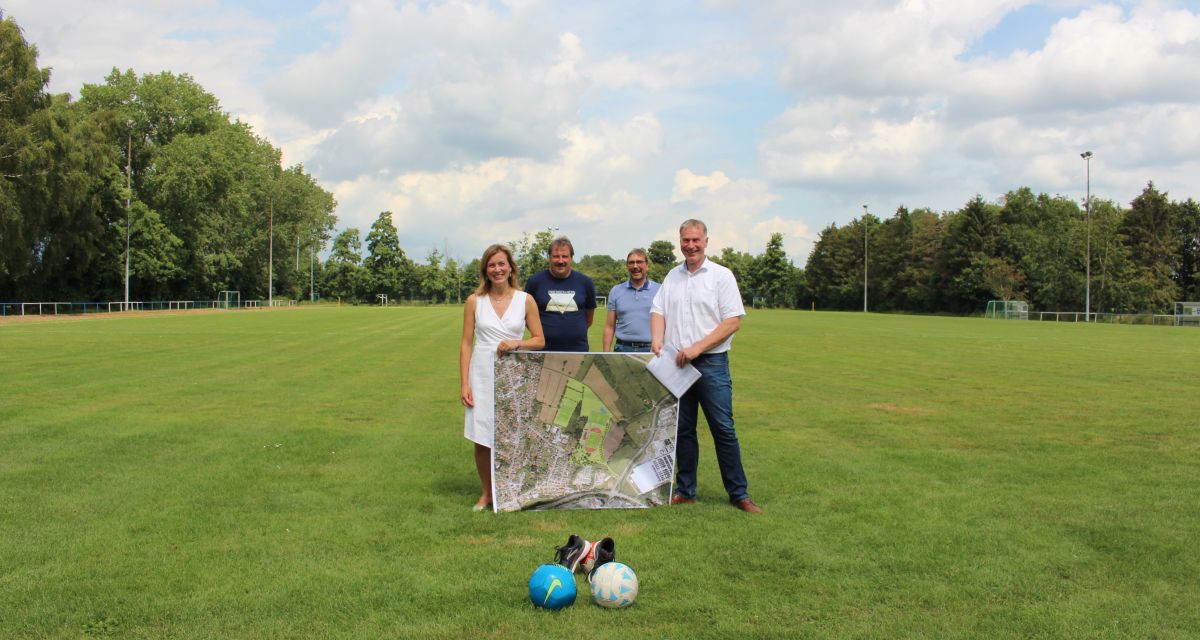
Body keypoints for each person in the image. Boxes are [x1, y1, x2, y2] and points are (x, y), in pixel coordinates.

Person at [650, 219, 761, 514]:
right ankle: (686, 491)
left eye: (695, 240)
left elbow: (732, 321)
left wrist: (697, 348)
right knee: (684, 431)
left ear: (706, 241)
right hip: (677, 365)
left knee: (723, 429)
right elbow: (658, 311)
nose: (691, 246)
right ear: (680, 242)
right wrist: (657, 339)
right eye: (685, 240)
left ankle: (739, 494)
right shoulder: (672, 276)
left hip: (711, 363)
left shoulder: (721, 276)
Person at [460, 244, 545, 511]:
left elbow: (540, 340)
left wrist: (517, 343)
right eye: (492, 265)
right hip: (482, 374)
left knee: (514, 434)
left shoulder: (525, 300)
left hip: (514, 374)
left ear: (510, 268)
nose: (497, 269)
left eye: (501, 264)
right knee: (481, 435)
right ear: (485, 270)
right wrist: (464, 383)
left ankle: (511, 491)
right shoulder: (474, 301)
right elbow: (466, 343)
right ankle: (487, 493)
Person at [524, 236, 596, 352]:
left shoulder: (586, 282)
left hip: (577, 350)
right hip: (542, 350)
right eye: (556, 256)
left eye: (565, 256)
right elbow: (526, 316)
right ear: (549, 258)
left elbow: (588, 319)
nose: (560, 261)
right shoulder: (534, 282)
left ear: (571, 258)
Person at [603, 248, 660, 352]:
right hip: (622, 349)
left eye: (639, 262)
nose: (635, 266)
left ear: (647, 266)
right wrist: (606, 353)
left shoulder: (660, 290)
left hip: (651, 349)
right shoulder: (616, 291)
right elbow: (610, 326)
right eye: (631, 263)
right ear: (627, 266)